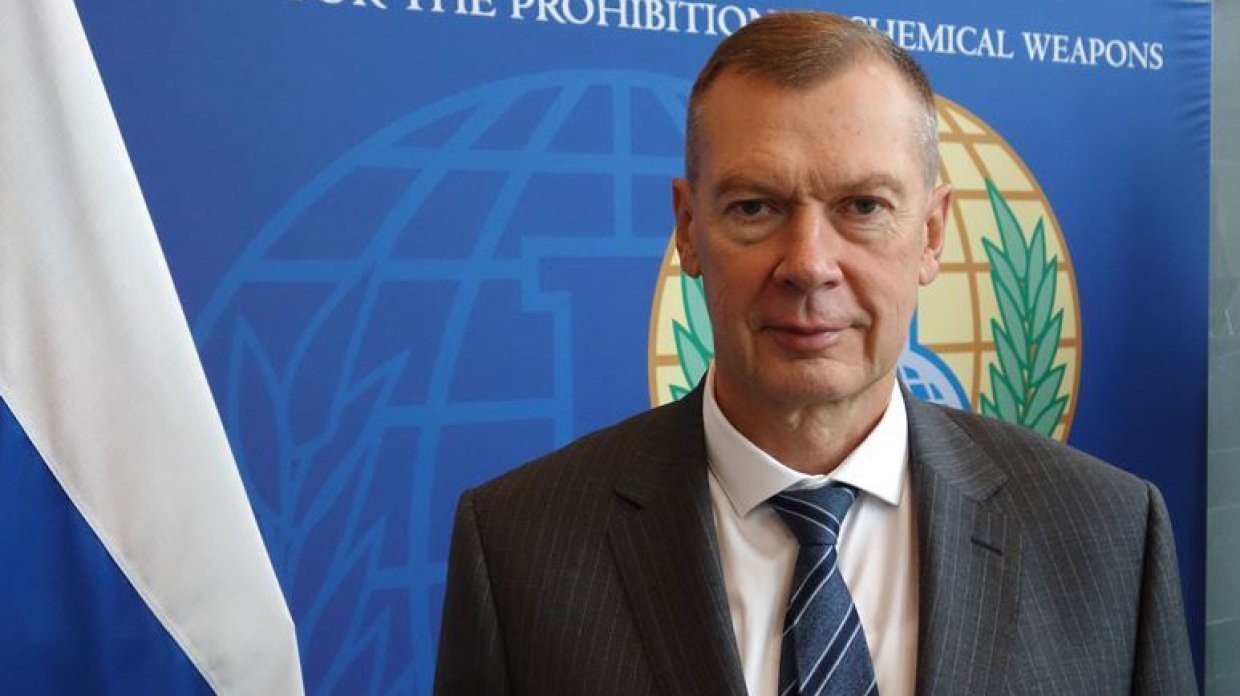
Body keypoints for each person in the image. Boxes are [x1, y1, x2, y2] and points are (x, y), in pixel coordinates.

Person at [434, 11, 1197, 696]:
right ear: (689, 229)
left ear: (931, 235)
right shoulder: (518, 548)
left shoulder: (1108, 534)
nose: (808, 264)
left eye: (862, 206)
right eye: (755, 207)